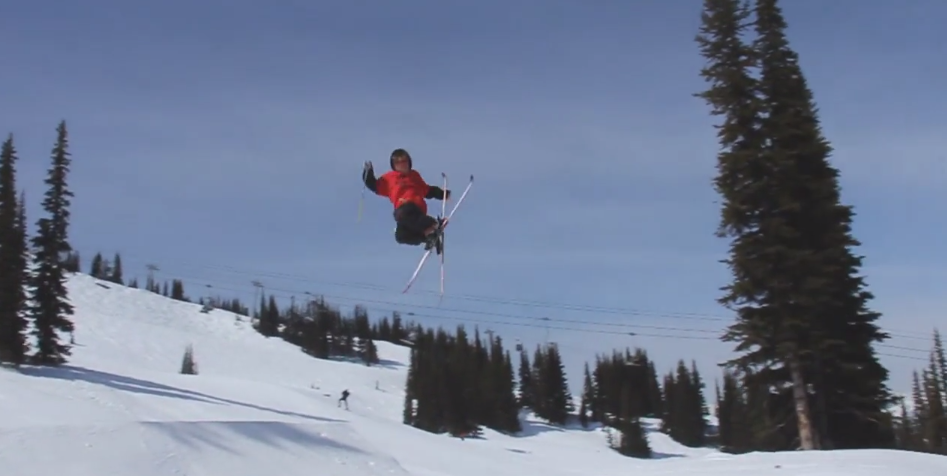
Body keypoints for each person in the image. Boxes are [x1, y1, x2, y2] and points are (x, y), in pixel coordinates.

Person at [362, 148, 451, 254]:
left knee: (402, 214)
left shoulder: (414, 176)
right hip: (402, 210)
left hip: (414, 206)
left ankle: (433, 224)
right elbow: (373, 185)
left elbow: (427, 190)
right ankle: (429, 236)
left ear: (409, 162)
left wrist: (443, 194)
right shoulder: (389, 178)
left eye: (404, 161)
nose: (402, 165)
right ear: (393, 165)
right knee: (401, 236)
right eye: (397, 162)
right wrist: (368, 172)